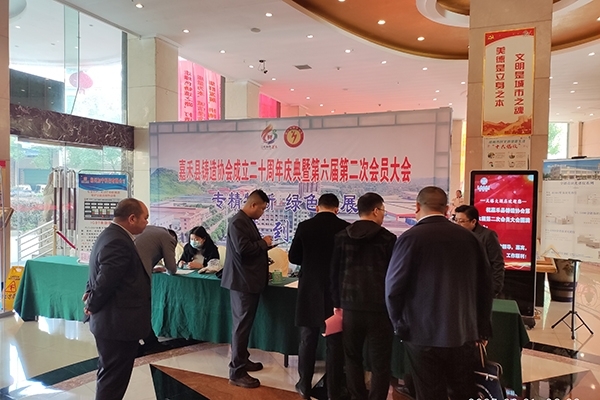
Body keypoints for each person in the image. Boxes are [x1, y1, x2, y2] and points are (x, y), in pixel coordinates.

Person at [385, 186, 493, 400]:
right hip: (463, 332)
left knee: (429, 392)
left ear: (417, 206)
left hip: (421, 333)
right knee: (462, 391)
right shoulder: (469, 238)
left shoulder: (410, 238)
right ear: (447, 209)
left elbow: (393, 287)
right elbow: (485, 286)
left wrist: (399, 324)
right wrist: (482, 329)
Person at [330, 192, 397, 400]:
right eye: (383, 210)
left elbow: (334, 273)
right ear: (375, 211)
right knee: (380, 362)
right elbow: (393, 276)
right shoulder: (388, 238)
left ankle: (357, 396)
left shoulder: (341, 237)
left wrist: (337, 303)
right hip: (380, 309)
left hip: (350, 307)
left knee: (352, 358)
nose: (383, 214)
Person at [83, 198, 150, 400]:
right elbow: (106, 280)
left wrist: (90, 294)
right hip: (117, 324)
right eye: (145, 218)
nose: (147, 222)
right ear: (132, 218)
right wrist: (92, 304)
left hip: (113, 322)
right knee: (113, 379)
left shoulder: (110, 234)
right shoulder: (118, 241)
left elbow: (98, 271)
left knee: (110, 375)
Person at [288, 193, 350, 400]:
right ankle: (333, 390)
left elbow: (293, 257)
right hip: (336, 292)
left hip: (310, 289)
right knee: (334, 342)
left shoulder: (305, 226)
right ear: (337, 209)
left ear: (317, 207)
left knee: (308, 338)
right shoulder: (345, 228)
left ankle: (304, 385)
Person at [221, 189, 272, 389]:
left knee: (244, 325)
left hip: (248, 281)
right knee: (241, 327)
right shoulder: (238, 222)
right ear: (253, 205)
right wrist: (264, 243)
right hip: (242, 283)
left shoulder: (246, 221)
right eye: (262, 208)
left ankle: (242, 359)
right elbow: (243, 249)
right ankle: (237, 372)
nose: (262, 212)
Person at [134, 225, 178, 354]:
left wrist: (152, 268)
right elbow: (171, 268)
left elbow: (143, 252)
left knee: (134, 310)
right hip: (137, 277)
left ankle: (148, 342)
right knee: (142, 310)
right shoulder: (168, 238)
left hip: (128, 271)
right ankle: (149, 344)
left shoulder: (150, 229)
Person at [455, 204, 505, 297]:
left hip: (481, 287)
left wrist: (495, 288)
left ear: (473, 221)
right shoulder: (456, 235)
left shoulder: (488, 236)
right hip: (461, 287)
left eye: (461, 221)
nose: (457, 224)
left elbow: (497, 262)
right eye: (456, 220)